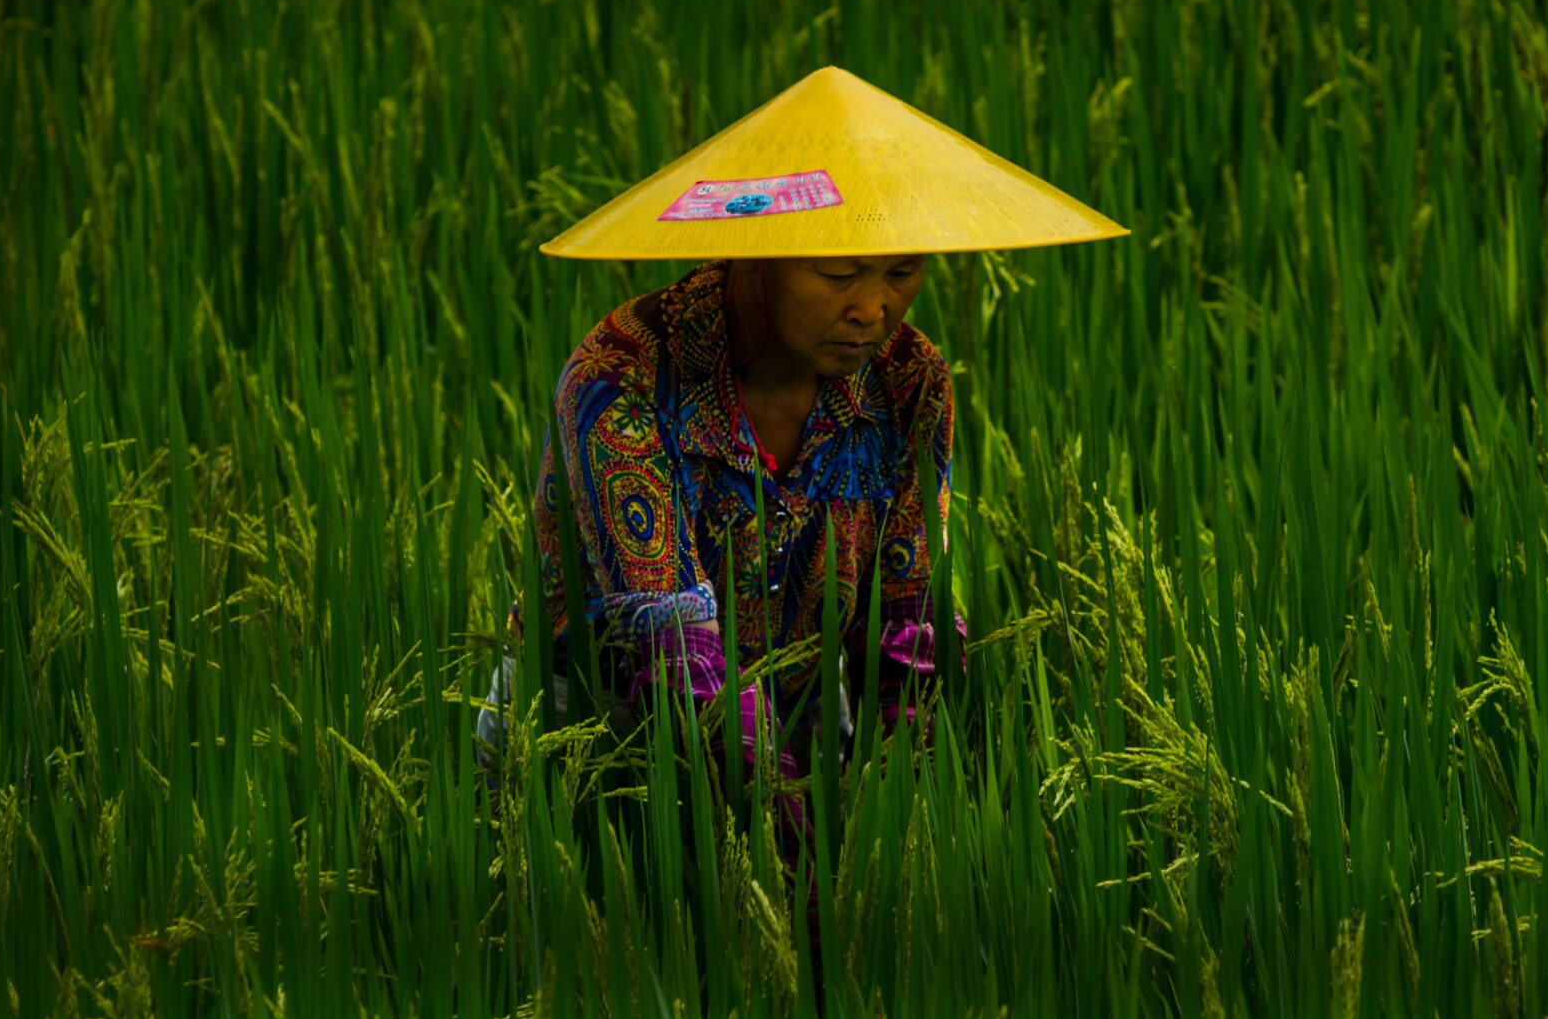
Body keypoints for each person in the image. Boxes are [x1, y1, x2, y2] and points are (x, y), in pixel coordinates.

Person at [478, 65, 1127, 804]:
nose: (873, 309)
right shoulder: (623, 380)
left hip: (804, 716)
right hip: (590, 739)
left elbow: (907, 625)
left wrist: (903, 815)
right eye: (841, 273)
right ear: (758, 251)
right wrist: (788, 842)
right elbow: (679, 662)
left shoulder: (908, 383)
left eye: (902, 272)